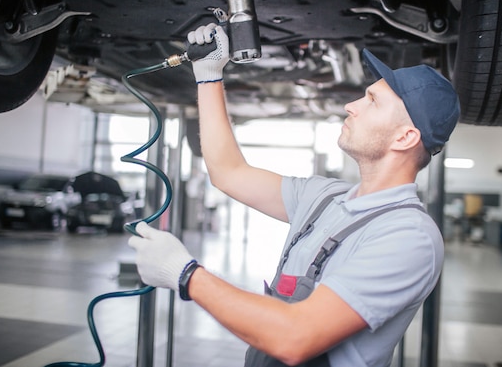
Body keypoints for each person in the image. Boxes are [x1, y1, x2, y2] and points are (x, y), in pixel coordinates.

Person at [128, 23, 461, 367]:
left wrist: (185, 275)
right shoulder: (325, 197)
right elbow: (230, 173)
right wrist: (209, 75)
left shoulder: (409, 236)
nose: (351, 105)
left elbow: (295, 337)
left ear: (405, 138)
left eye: (372, 101)